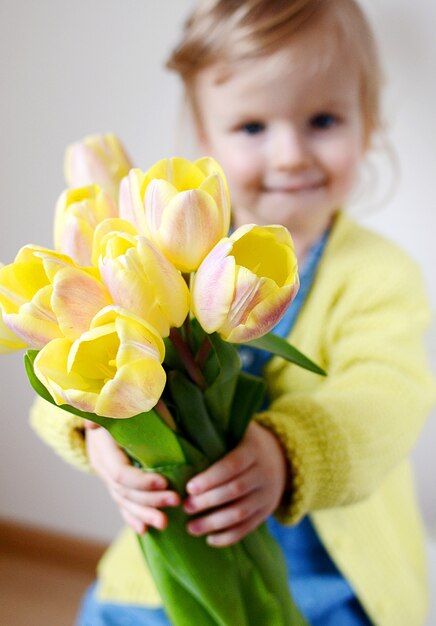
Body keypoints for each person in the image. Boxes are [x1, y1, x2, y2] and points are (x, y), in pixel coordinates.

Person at [31, 1, 436, 625]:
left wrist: (290, 450)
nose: (290, 155)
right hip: (169, 564)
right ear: (205, 139)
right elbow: (67, 361)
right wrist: (97, 434)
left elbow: (391, 395)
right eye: (251, 127)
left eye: (323, 119)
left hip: (324, 573)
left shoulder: (379, 276)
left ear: (368, 121)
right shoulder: (166, 252)